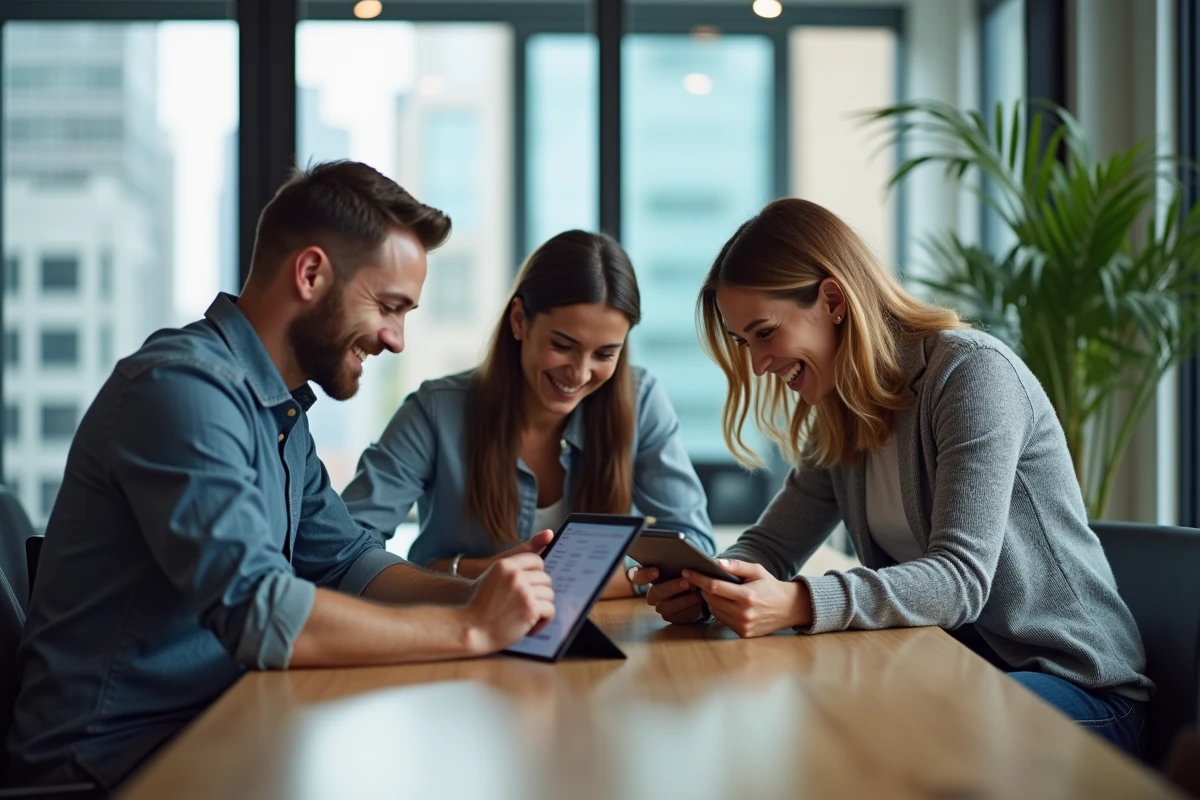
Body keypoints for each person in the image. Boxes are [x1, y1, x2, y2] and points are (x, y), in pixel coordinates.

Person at [6, 161, 556, 789]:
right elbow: (260, 612)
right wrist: (472, 626)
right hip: (113, 766)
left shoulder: (279, 411)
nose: (397, 339)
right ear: (312, 273)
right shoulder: (182, 389)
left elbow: (351, 562)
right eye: (389, 306)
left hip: (219, 726)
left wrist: (490, 598)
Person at [633, 198, 1152, 756]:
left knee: (875, 737)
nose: (758, 364)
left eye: (763, 333)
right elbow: (771, 546)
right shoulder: (840, 411)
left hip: (1075, 683)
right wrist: (715, 586)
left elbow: (960, 580)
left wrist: (799, 602)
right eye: (744, 342)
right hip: (954, 668)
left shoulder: (972, 375)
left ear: (832, 300)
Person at [342, 230, 713, 597]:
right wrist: (614, 577)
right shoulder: (436, 411)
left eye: (605, 354)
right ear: (519, 319)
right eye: (563, 345)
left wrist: (462, 570)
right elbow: (347, 544)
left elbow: (695, 546)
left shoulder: (641, 401)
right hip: (464, 634)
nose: (580, 373)